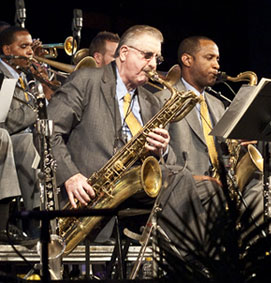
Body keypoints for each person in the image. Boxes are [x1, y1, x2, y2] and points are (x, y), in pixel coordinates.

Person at [47, 25, 205, 254]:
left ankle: (189, 260)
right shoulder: (86, 80)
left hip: (132, 189)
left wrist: (160, 150)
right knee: (181, 178)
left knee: (191, 182)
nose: (153, 64)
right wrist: (70, 176)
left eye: (157, 58)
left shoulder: (152, 102)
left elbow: (153, 161)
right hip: (90, 189)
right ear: (124, 53)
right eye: (147, 55)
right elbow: (48, 130)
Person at [157, 36, 271, 246]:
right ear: (187, 60)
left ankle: (260, 260)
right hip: (190, 185)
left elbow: (225, 152)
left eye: (218, 59)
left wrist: (239, 147)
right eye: (209, 58)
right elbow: (159, 157)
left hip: (223, 184)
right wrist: (192, 178)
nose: (217, 65)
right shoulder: (164, 99)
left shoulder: (217, 104)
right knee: (220, 193)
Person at [0, 26, 42, 241]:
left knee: (31, 143)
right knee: (17, 141)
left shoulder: (25, 75)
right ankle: (17, 222)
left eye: (30, 47)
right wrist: (38, 107)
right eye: (23, 47)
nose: (30, 52)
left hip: (22, 138)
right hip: (5, 138)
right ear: (7, 50)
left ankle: (42, 221)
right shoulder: (1, 75)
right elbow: (7, 121)